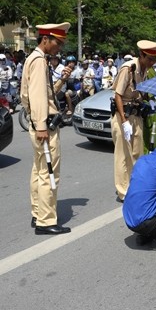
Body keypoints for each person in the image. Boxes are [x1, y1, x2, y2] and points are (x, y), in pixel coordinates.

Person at [20, 22, 73, 235]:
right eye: (57, 42)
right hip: (44, 127)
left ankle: (38, 212)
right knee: (48, 173)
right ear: (45, 39)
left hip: (39, 123)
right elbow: (38, 97)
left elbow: (45, 94)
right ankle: (46, 221)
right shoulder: (39, 61)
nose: (59, 47)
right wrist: (41, 125)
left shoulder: (35, 59)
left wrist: (62, 80)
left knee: (38, 170)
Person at [111, 40, 156, 202]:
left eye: (154, 60)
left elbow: (141, 93)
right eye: (149, 59)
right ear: (141, 55)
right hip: (124, 116)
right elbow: (118, 95)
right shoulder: (128, 68)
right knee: (123, 155)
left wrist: (150, 101)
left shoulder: (145, 71)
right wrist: (124, 120)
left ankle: (134, 186)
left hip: (137, 115)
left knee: (136, 153)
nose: (152, 63)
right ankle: (123, 191)